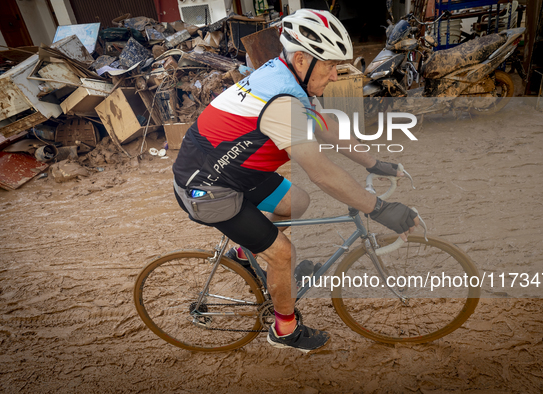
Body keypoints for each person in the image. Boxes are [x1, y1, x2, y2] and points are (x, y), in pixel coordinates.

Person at [172, 9, 419, 353]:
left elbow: (324, 127)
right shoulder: (284, 101)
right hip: (208, 185)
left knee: (296, 202)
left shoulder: (289, 76)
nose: (335, 75)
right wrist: (380, 209)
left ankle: (246, 252)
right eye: (331, 64)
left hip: (234, 170)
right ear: (302, 58)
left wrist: (374, 163)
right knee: (283, 253)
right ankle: (284, 330)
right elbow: (321, 172)